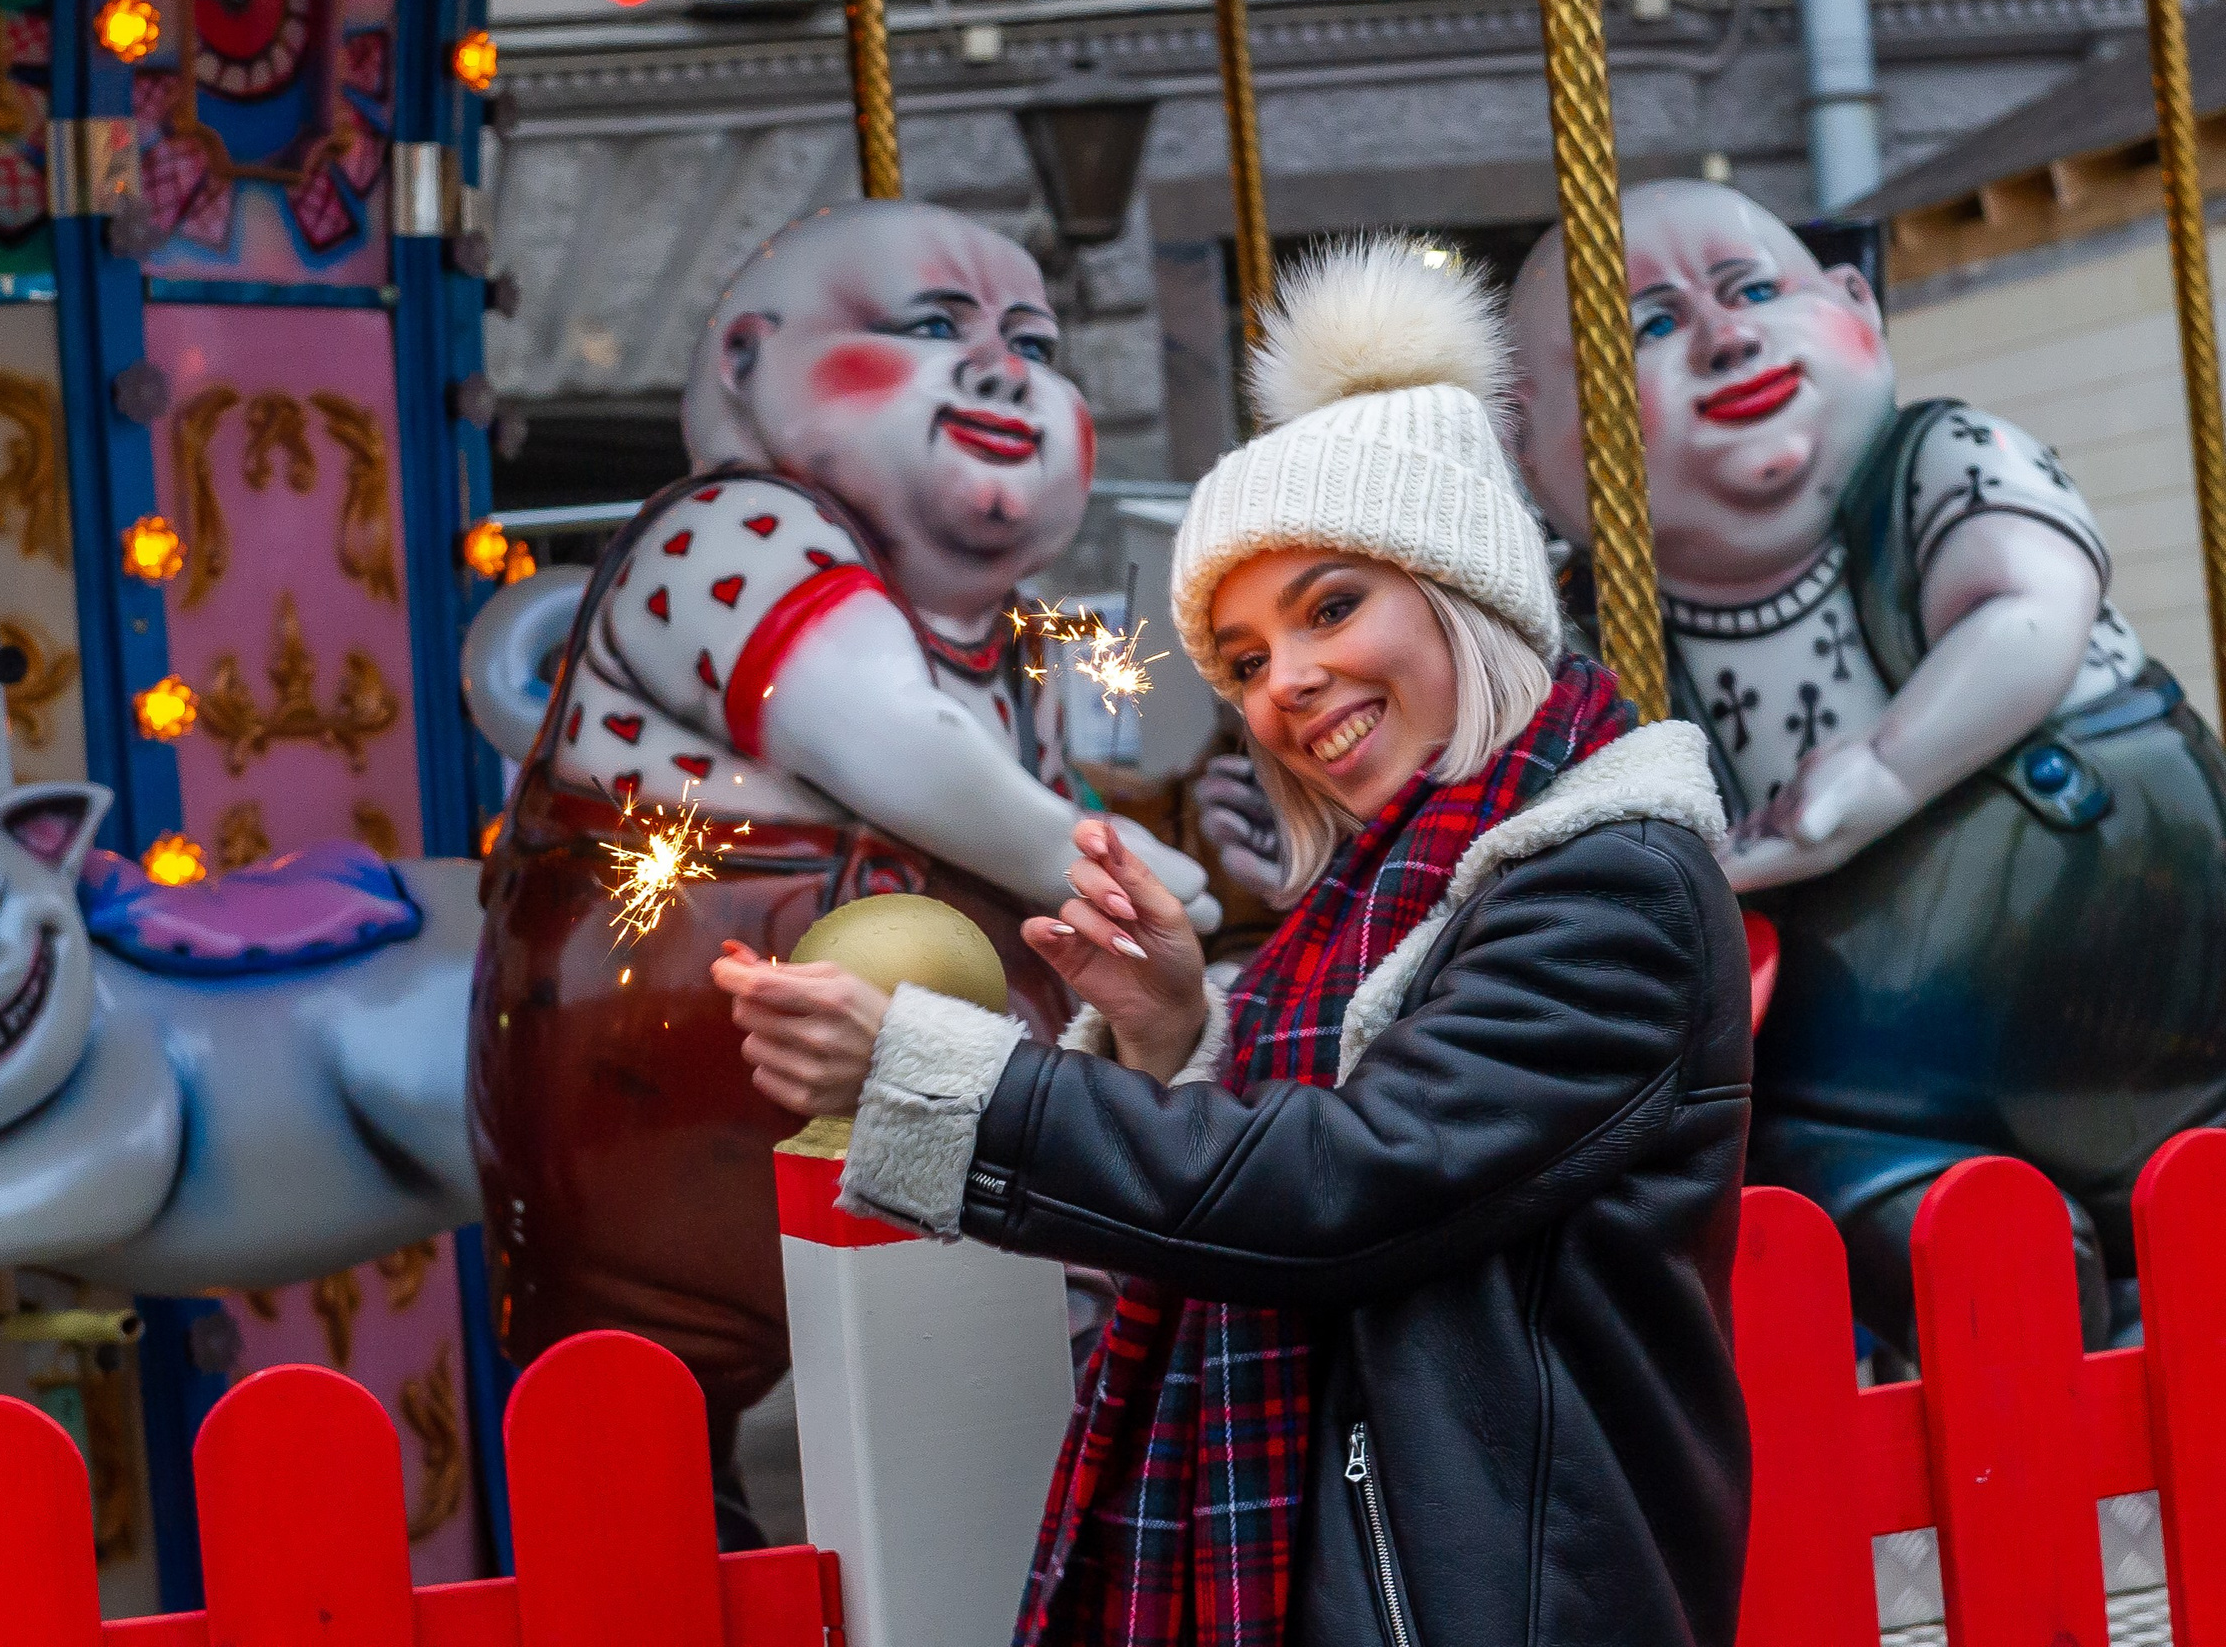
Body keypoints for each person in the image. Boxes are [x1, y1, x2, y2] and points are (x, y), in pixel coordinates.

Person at [714, 240, 1754, 1647]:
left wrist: (949, 1079)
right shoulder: (1394, 890)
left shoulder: (1608, 884)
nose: (1290, 685)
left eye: (1333, 607)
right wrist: (1171, 1033)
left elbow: (1352, 1186)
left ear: (1467, 595)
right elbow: (1331, 1154)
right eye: (1248, 660)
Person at [467, 199, 1217, 1547]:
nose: (1000, 370)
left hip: (915, 1099)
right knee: (645, 1453)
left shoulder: (1005, 631)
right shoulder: (728, 533)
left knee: (993, 1426)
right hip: (681, 1095)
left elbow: (1057, 766)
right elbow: (891, 740)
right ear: (749, 360)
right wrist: (1109, 863)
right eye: (932, 329)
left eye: (1032, 342)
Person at [1506, 178, 2226, 1361]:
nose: (1727, 336)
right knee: (1895, 1234)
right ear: (1528, 445)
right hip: (1876, 1102)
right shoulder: (1594, 640)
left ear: (1856, 306)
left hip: (2159, 987)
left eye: (1751, 291)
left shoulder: (1945, 460)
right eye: (1648, 327)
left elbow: (2026, 604)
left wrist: (1884, 772)